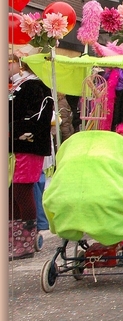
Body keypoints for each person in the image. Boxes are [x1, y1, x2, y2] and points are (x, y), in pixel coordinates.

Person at [8, 54, 54, 260]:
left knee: (22, 190)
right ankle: (15, 238)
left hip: (28, 145)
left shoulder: (36, 87)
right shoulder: (18, 86)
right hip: (15, 146)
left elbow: (37, 119)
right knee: (11, 194)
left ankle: (25, 241)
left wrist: (12, 129)